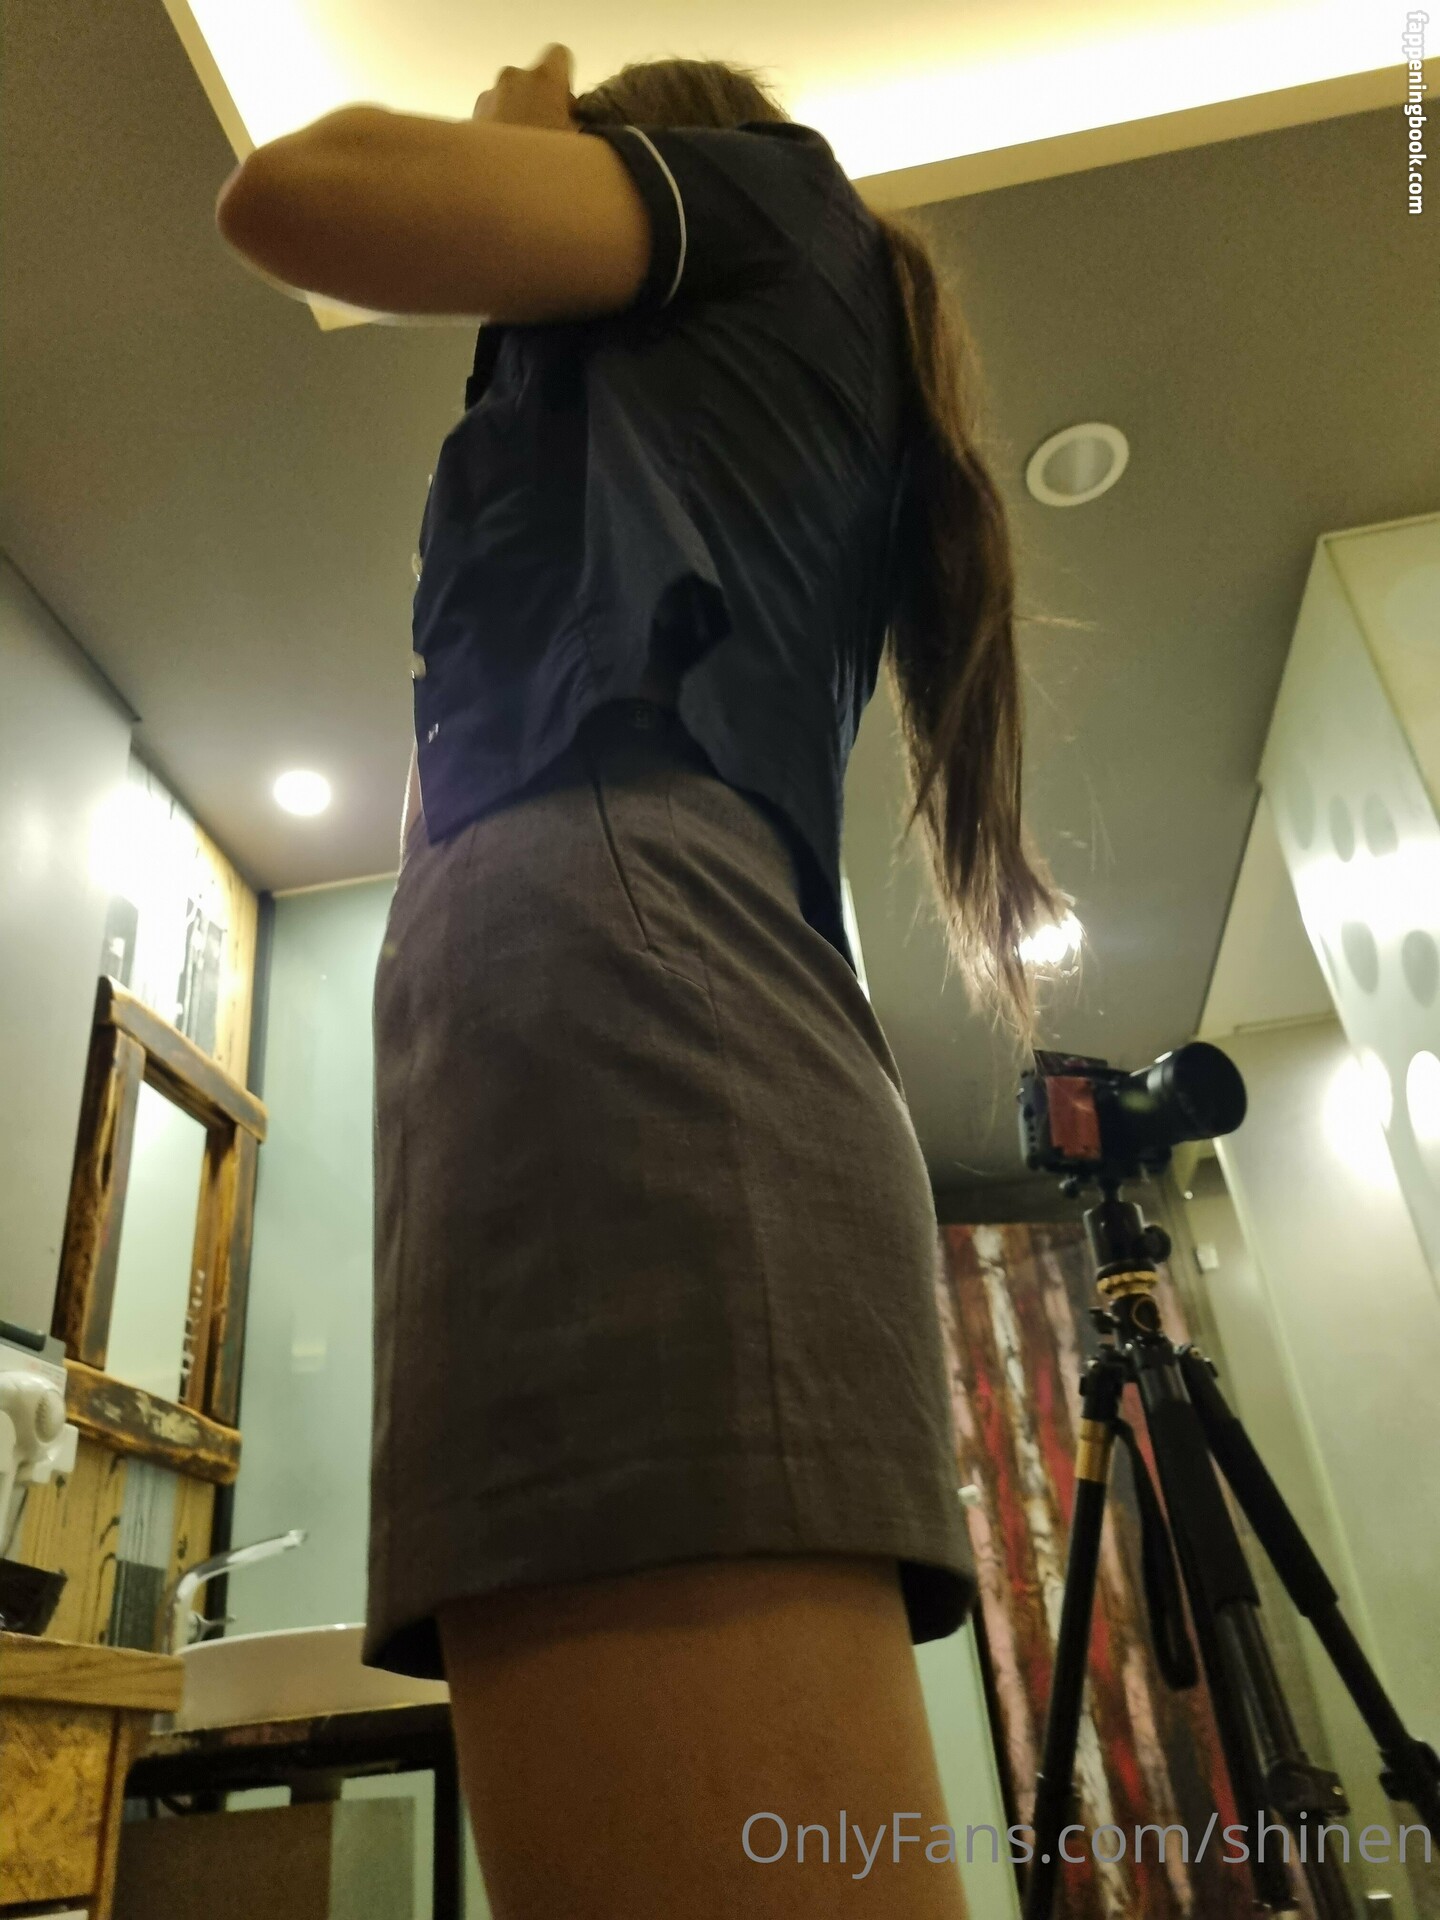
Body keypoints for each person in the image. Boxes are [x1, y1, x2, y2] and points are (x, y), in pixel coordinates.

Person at [215, 44, 1064, 1917]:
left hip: (619, 996)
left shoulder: (774, 197)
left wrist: (517, 135)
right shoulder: (701, 411)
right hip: (594, 989)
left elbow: (297, 191)